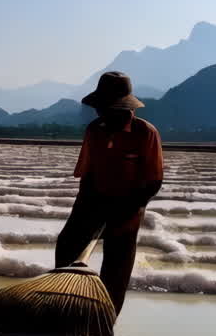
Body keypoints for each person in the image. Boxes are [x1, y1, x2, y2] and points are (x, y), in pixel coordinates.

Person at [55, 71, 164, 316]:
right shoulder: (95, 130)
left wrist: (126, 209)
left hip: (128, 208)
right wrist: (81, 214)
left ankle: (104, 321)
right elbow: (87, 175)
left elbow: (153, 181)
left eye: (103, 107)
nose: (98, 112)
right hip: (93, 201)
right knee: (66, 245)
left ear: (120, 107)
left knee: (116, 268)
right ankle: (64, 307)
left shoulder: (145, 133)